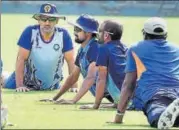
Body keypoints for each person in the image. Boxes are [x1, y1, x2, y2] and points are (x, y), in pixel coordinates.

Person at [111, 17, 179, 129]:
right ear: (165, 33)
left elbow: (129, 84)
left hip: (154, 94)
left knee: (158, 117)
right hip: (177, 92)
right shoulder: (177, 49)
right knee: (170, 116)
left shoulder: (135, 48)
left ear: (144, 33)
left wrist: (119, 115)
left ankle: (165, 112)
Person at [40, 14, 114, 104]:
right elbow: (73, 77)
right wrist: (54, 98)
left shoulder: (95, 47)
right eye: (75, 28)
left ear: (88, 33)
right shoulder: (83, 49)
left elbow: (91, 77)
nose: (75, 32)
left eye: (78, 30)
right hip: (113, 95)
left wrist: (73, 100)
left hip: (121, 94)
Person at [3, 3, 77, 92]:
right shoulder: (30, 32)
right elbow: (21, 59)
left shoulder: (63, 35)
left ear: (57, 21)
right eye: (43, 19)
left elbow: (71, 61)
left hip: (52, 85)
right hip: (24, 82)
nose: (47, 23)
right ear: (38, 20)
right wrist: (20, 85)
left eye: (51, 19)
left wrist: (74, 86)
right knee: (3, 82)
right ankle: (3, 76)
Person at [79, 20, 127, 109]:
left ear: (106, 35)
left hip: (124, 98)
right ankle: (117, 102)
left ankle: (119, 101)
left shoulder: (104, 48)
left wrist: (96, 105)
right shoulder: (125, 47)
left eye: (100, 31)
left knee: (101, 74)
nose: (97, 33)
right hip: (134, 96)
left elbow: (101, 79)